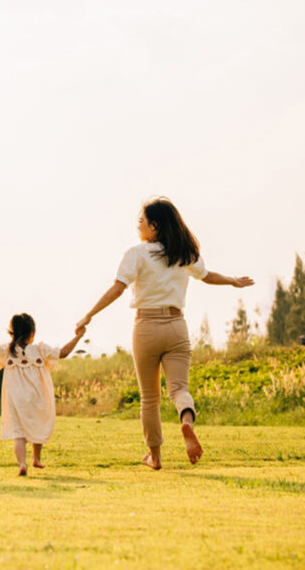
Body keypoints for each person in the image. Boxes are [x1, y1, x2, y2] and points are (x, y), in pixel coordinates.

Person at [76, 198, 254, 470]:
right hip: (176, 326)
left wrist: (89, 314)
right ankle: (186, 422)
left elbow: (117, 288)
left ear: (155, 226)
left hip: (146, 326)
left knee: (150, 398)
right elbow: (207, 276)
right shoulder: (183, 252)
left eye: (141, 221)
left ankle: (155, 457)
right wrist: (232, 281)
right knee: (179, 389)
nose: (138, 226)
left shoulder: (136, 253)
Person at [0, 313, 85, 476]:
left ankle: (22, 464)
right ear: (33, 333)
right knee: (38, 424)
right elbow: (64, 352)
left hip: (15, 398)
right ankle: (36, 459)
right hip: (38, 396)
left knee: (19, 434)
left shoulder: (7, 350)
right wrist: (78, 337)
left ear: (12, 333)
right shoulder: (40, 349)